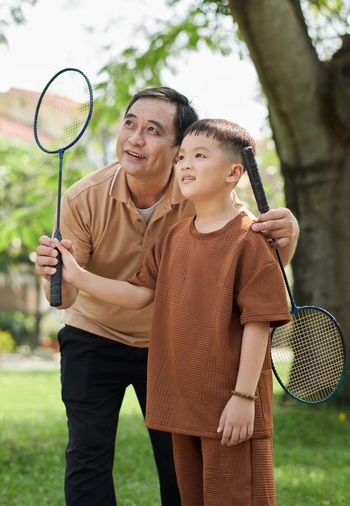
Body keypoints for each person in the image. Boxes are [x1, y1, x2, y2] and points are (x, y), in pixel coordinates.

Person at [35, 88, 299, 506]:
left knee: (181, 467)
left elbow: (255, 283)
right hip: (95, 331)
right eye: (130, 124)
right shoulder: (84, 198)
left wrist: (289, 239)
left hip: (172, 349)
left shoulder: (211, 203)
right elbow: (81, 295)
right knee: (87, 455)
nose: (135, 138)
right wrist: (65, 272)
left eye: (153, 130)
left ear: (179, 146)